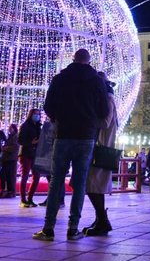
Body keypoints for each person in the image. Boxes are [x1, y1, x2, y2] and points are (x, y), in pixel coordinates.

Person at [33, 48, 109, 242]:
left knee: (56, 180)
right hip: (86, 137)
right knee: (80, 183)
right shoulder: (96, 81)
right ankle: (72, 229)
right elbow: (104, 109)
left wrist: (59, 119)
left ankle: (48, 228)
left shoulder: (60, 79)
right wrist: (91, 121)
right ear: (89, 60)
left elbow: (48, 105)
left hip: (63, 135)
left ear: (73, 59)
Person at [82, 72, 118, 236]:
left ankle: (103, 220)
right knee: (92, 186)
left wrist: (85, 117)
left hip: (101, 147)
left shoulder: (108, 100)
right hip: (97, 146)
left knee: (93, 186)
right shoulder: (103, 99)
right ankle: (101, 219)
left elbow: (105, 122)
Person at [18, 109, 42, 207]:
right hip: (26, 153)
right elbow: (20, 140)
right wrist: (31, 143)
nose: (37, 116)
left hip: (35, 154)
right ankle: (23, 200)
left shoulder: (39, 126)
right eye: (35, 114)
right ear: (31, 115)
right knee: (25, 176)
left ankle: (30, 198)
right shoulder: (25, 125)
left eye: (38, 114)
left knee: (36, 177)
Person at [0, 123, 19, 199]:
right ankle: (7, 191)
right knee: (5, 175)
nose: (9, 129)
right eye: (9, 128)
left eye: (11, 128)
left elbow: (15, 147)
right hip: (7, 158)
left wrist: (5, 148)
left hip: (11, 159)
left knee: (9, 175)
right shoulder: (10, 137)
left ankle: (10, 191)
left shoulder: (15, 137)